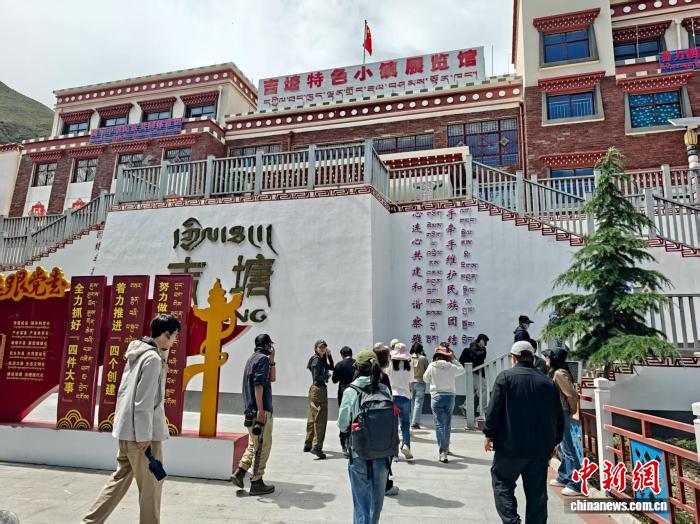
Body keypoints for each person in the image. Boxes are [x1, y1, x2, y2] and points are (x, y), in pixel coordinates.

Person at [82, 314, 181, 524]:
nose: (175, 340)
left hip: (126, 432)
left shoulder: (138, 353)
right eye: (174, 336)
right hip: (142, 437)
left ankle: (89, 522)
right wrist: (144, 436)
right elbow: (144, 401)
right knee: (151, 489)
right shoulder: (152, 360)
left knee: (118, 482)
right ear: (165, 334)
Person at [483, 341, 564, 524]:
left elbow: (493, 410)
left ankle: (512, 521)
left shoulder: (505, 378)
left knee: (502, 483)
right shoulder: (548, 382)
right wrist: (554, 442)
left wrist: (489, 434)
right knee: (537, 495)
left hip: (510, 446)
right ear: (532, 357)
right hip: (539, 449)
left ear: (514, 358)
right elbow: (558, 416)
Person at [338, 350, 394, 524]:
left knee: (361, 505)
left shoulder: (351, 391)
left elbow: (342, 424)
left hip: (359, 454)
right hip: (383, 455)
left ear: (358, 367)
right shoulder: (384, 389)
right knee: (376, 504)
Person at [232, 333, 276, 496]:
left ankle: (240, 472)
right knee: (263, 446)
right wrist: (261, 410)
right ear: (268, 345)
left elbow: (272, 379)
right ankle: (257, 481)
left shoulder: (252, 359)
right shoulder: (262, 359)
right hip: (259, 411)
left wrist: (272, 360)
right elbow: (258, 386)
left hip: (249, 409)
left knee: (254, 443)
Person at [546, 348, 583, 497]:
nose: (546, 359)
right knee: (562, 447)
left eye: (548, 356)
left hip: (562, 412)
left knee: (568, 448)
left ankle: (576, 483)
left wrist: (572, 410)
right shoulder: (556, 372)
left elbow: (571, 394)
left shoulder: (559, 374)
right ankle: (564, 476)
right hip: (558, 412)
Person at [423, 346, 466, 463]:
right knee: (447, 424)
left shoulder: (432, 365)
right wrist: (453, 359)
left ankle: (442, 452)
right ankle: (446, 448)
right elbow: (462, 370)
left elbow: (425, 379)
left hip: (436, 396)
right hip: (450, 397)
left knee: (439, 425)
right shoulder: (451, 366)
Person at [372, 344, 399, 496]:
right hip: (383, 419)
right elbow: (389, 399)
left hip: (367, 420)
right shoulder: (383, 377)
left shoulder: (365, 377)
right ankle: (385, 485)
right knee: (385, 453)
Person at [305, 339, 334, 459]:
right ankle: (317, 447)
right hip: (318, 390)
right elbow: (317, 377)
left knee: (313, 416)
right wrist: (326, 375)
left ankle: (308, 444)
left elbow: (331, 367)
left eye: (324, 347)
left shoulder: (321, 359)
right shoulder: (316, 360)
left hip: (317, 390)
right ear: (316, 348)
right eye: (320, 347)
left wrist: (329, 355)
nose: (322, 349)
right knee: (320, 419)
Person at [387, 342, 413, 461]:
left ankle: (395, 454)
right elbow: (411, 380)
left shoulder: (391, 365)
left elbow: (387, 377)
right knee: (405, 424)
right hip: (406, 396)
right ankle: (406, 444)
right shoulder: (409, 365)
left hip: (393, 396)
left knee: (393, 425)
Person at [332, 346, 356, 457]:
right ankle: (352, 443)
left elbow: (334, 380)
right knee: (354, 417)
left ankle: (344, 444)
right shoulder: (357, 364)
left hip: (343, 392)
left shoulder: (339, 365)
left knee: (344, 416)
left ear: (342, 355)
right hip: (355, 392)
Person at [458, 334, 489, 416]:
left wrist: (483, 349)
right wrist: (483, 348)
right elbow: (478, 357)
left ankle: (465, 406)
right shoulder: (472, 349)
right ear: (481, 340)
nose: (486, 344)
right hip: (475, 372)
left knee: (473, 391)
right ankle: (483, 410)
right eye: (485, 342)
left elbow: (481, 357)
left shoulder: (478, 349)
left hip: (476, 372)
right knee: (483, 389)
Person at [409, 342, 429, 429]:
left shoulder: (409, 358)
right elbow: (427, 370)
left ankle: (413, 420)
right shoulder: (423, 358)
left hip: (411, 382)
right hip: (420, 382)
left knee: (412, 402)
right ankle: (415, 422)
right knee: (418, 403)